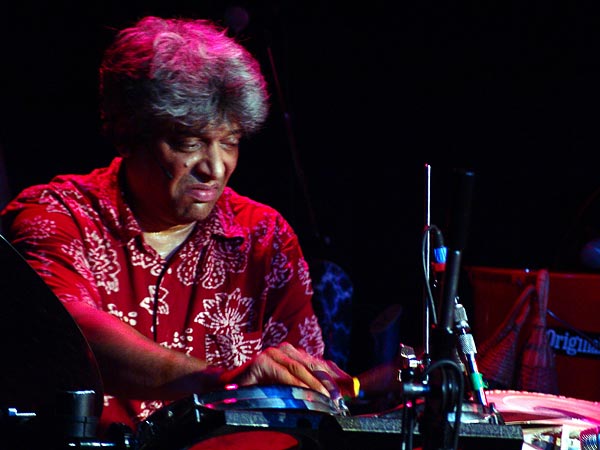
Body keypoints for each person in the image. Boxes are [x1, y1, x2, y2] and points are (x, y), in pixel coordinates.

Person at [0, 16, 370, 438]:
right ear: (127, 133)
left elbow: (302, 398)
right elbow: (68, 338)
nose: (215, 167)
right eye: (188, 143)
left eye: (230, 142)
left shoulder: (264, 237)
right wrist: (220, 382)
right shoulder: (56, 215)